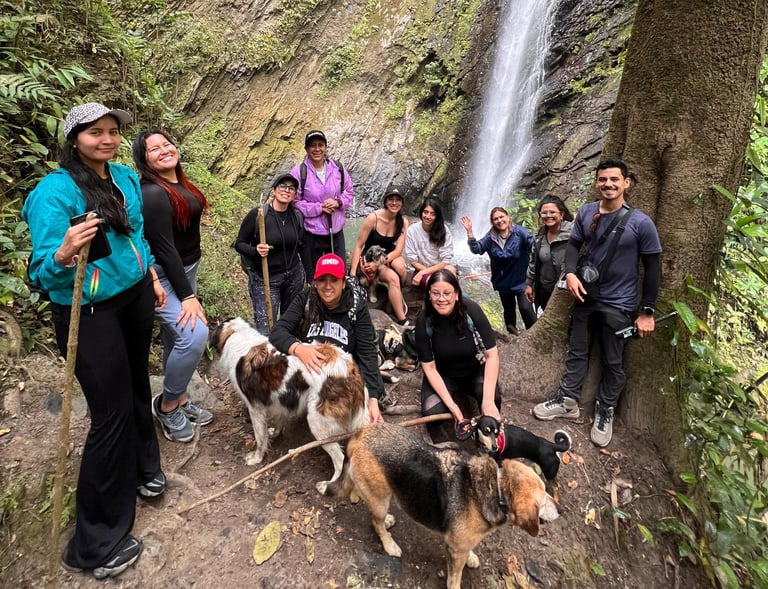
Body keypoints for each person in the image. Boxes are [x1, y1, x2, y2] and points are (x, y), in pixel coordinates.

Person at [22, 103, 166, 578]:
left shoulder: (124, 178)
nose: (106, 139)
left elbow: (138, 232)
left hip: (135, 296)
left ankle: (145, 470)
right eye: (95, 133)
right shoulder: (53, 193)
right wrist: (64, 252)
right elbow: (42, 272)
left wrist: (148, 269)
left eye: (112, 132)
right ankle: (94, 543)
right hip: (89, 309)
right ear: (74, 138)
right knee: (110, 413)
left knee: (139, 388)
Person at [532, 157, 662, 447]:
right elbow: (574, 246)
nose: (608, 184)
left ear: (626, 183)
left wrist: (647, 312)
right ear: (597, 182)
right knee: (577, 352)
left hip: (620, 304)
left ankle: (606, 410)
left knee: (613, 361)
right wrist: (571, 274)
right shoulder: (587, 213)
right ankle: (567, 400)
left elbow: (653, 268)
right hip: (585, 296)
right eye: (603, 179)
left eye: (614, 179)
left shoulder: (641, 223)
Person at [132, 130, 213, 443]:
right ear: (144, 159)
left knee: (174, 338)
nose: (163, 150)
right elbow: (164, 249)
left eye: (166, 144)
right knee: (194, 334)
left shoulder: (177, 182)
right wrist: (188, 296)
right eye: (154, 149)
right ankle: (166, 405)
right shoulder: (152, 192)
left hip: (185, 268)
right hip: (163, 276)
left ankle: (178, 397)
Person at [269, 253, 386, 423]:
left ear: (344, 283)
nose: (328, 286)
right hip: (310, 374)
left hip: (340, 374)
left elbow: (367, 353)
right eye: (322, 280)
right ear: (315, 283)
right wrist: (298, 348)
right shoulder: (305, 299)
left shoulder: (356, 306)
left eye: (334, 280)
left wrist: (373, 399)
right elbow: (277, 332)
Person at [414, 270, 501, 442]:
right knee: (432, 410)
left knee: (494, 398)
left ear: (456, 294)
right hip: (443, 374)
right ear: (429, 295)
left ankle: (489, 440)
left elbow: (492, 355)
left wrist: (488, 400)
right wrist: (453, 407)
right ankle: (441, 447)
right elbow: (429, 368)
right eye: (435, 293)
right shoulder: (424, 321)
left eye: (447, 293)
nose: (441, 299)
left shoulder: (472, 311)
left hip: (474, 370)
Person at [234, 173, 306, 334]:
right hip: (266, 278)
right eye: (282, 186)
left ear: (295, 194)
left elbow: (303, 246)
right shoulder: (259, 215)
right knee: (266, 329)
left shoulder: (297, 216)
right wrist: (255, 250)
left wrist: (310, 274)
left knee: (291, 324)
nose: (286, 190)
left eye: (291, 188)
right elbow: (239, 244)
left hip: (294, 276)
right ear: (273, 190)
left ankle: (288, 357)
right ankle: (268, 358)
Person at [460, 207, 536, 334]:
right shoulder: (491, 237)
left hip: (522, 280)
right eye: (496, 219)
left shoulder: (519, 232)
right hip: (503, 281)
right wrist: (469, 232)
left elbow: (533, 244)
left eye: (502, 217)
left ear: (508, 217)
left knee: (525, 308)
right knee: (509, 310)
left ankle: (534, 335)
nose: (500, 220)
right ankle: (513, 335)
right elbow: (477, 249)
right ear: (492, 222)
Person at [291, 130, 353, 275]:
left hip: (336, 232)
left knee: (339, 273)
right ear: (306, 149)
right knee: (316, 275)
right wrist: (320, 208)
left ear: (326, 147)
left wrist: (338, 202)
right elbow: (295, 202)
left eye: (320, 145)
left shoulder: (338, 168)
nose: (317, 149)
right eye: (312, 145)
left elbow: (349, 192)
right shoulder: (299, 172)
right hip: (311, 233)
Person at [350, 186, 409, 324]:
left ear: (402, 203)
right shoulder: (373, 218)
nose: (394, 203)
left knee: (400, 267)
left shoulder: (403, 221)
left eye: (398, 200)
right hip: (372, 257)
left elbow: (399, 250)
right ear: (385, 202)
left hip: (387, 256)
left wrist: (380, 264)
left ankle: (396, 297)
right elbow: (359, 245)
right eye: (391, 200)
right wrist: (353, 273)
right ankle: (402, 319)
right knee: (393, 277)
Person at [524, 195, 574, 312]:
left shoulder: (574, 232)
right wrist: (529, 284)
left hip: (567, 289)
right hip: (545, 289)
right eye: (544, 213)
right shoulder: (539, 236)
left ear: (561, 215)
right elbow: (533, 261)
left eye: (552, 212)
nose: (548, 216)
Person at [405, 197, 457, 289]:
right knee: (437, 284)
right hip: (421, 269)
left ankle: (456, 298)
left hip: (440, 268)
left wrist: (430, 272)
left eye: (432, 214)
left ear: (437, 216)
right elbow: (413, 261)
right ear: (421, 212)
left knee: (451, 270)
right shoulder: (412, 230)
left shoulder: (443, 230)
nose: (428, 216)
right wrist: (424, 272)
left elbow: (446, 260)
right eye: (425, 212)